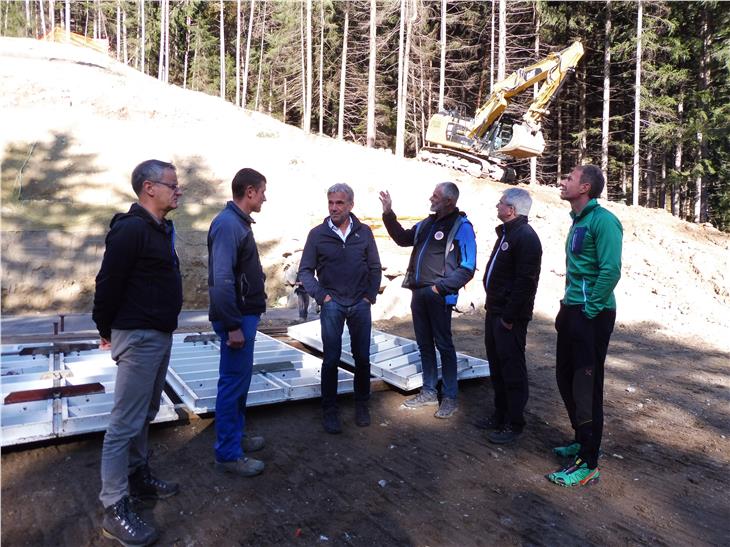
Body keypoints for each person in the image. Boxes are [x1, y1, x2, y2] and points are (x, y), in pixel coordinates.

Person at [92, 159, 183, 546]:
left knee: (144, 414)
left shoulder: (160, 230)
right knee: (123, 424)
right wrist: (106, 329)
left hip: (158, 336)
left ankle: (138, 475)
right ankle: (114, 505)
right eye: (172, 185)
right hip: (138, 336)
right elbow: (107, 283)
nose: (178, 190)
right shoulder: (130, 230)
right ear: (149, 188)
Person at [547, 164, 622, 487]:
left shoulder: (604, 221)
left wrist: (589, 310)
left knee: (586, 387)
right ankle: (581, 439)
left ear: (585, 188)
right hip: (573, 310)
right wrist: (567, 309)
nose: (563, 182)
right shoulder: (577, 221)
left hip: (593, 315)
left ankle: (588, 462)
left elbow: (611, 270)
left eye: (569, 179)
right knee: (565, 377)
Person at [379, 183, 476, 418]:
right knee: (424, 344)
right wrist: (388, 213)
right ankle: (429, 390)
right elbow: (402, 238)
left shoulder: (461, 226)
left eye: (436, 195)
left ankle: (450, 397)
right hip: (418, 292)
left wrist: (439, 288)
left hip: (439, 295)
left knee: (444, 345)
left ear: (449, 202)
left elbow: (468, 266)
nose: (430, 198)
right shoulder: (426, 224)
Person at [298, 183, 382, 434]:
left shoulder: (364, 232)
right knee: (331, 359)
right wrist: (322, 296)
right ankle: (330, 410)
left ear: (350, 205)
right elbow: (305, 270)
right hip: (332, 303)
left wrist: (369, 296)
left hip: (360, 303)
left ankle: (361, 405)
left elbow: (375, 267)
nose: (334, 208)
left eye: (339, 203)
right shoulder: (317, 234)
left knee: (363, 358)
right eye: (331, 203)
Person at [208, 168, 268, 477]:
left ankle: (236, 436)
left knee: (240, 383)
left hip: (244, 315)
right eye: (261, 192)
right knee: (232, 384)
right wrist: (232, 324)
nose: (264, 197)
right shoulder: (228, 225)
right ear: (249, 192)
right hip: (237, 318)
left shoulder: (237, 223)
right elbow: (221, 280)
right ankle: (228, 454)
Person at [479, 188, 542, 444]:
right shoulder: (508, 233)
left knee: (512, 370)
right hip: (495, 311)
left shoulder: (526, 237)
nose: (497, 205)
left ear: (512, 209)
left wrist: (509, 316)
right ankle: (499, 415)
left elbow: (526, 283)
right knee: (497, 366)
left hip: (508, 316)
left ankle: (514, 424)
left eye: (501, 202)